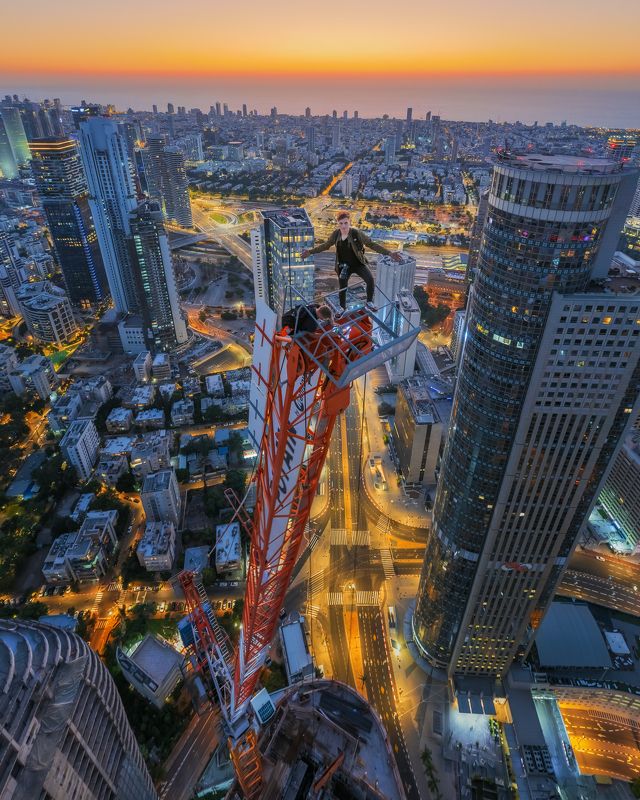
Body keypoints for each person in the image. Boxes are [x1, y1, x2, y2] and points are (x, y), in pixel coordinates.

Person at [302, 211, 402, 311]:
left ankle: (369, 302)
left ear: (350, 222)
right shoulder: (336, 234)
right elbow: (326, 245)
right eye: (341, 223)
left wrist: (389, 253)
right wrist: (310, 252)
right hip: (343, 266)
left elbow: (371, 244)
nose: (343, 226)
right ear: (338, 224)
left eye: (346, 223)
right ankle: (342, 308)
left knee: (370, 280)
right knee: (343, 288)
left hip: (358, 264)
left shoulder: (356, 233)